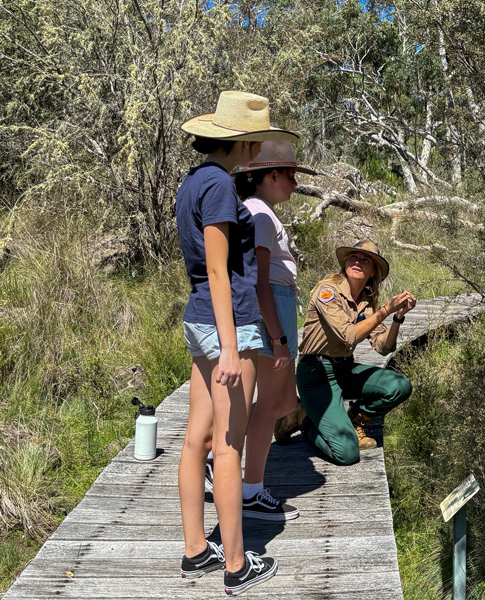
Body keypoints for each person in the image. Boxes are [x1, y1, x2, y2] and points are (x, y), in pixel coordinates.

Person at [175, 91, 295, 595]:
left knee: (194, 438)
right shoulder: (222, 186)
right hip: (230, 323)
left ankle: (196, 551)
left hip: (199, 316)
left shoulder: (193, 182)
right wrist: (230, 345)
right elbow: (222, 271)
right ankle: (236, 565)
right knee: (229, 444)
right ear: (244, 142)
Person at [230, 141, 316, 520]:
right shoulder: (260, 214)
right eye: (292, 176)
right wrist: (278, 337)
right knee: (270, 403)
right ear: (272, 175)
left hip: (280, 304)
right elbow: (260, 281)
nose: (294, 184)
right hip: (273, 308)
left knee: (282, 402)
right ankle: (246, 484)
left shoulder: (262, 213)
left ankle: (225, 453)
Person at [295, 240, 417, 466]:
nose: (358, 262)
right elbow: (348, 335)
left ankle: (358, 417)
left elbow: (383, 348)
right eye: (353, 257)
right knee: (347, 453)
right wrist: (386, 310)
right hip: (316, 374)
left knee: (399, 386)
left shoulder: (367, 302)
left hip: (345, 369)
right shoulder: (328, 292)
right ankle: (301, 417)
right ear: (345, 264)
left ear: (373, 273)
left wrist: (398, 316)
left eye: (365, 260)